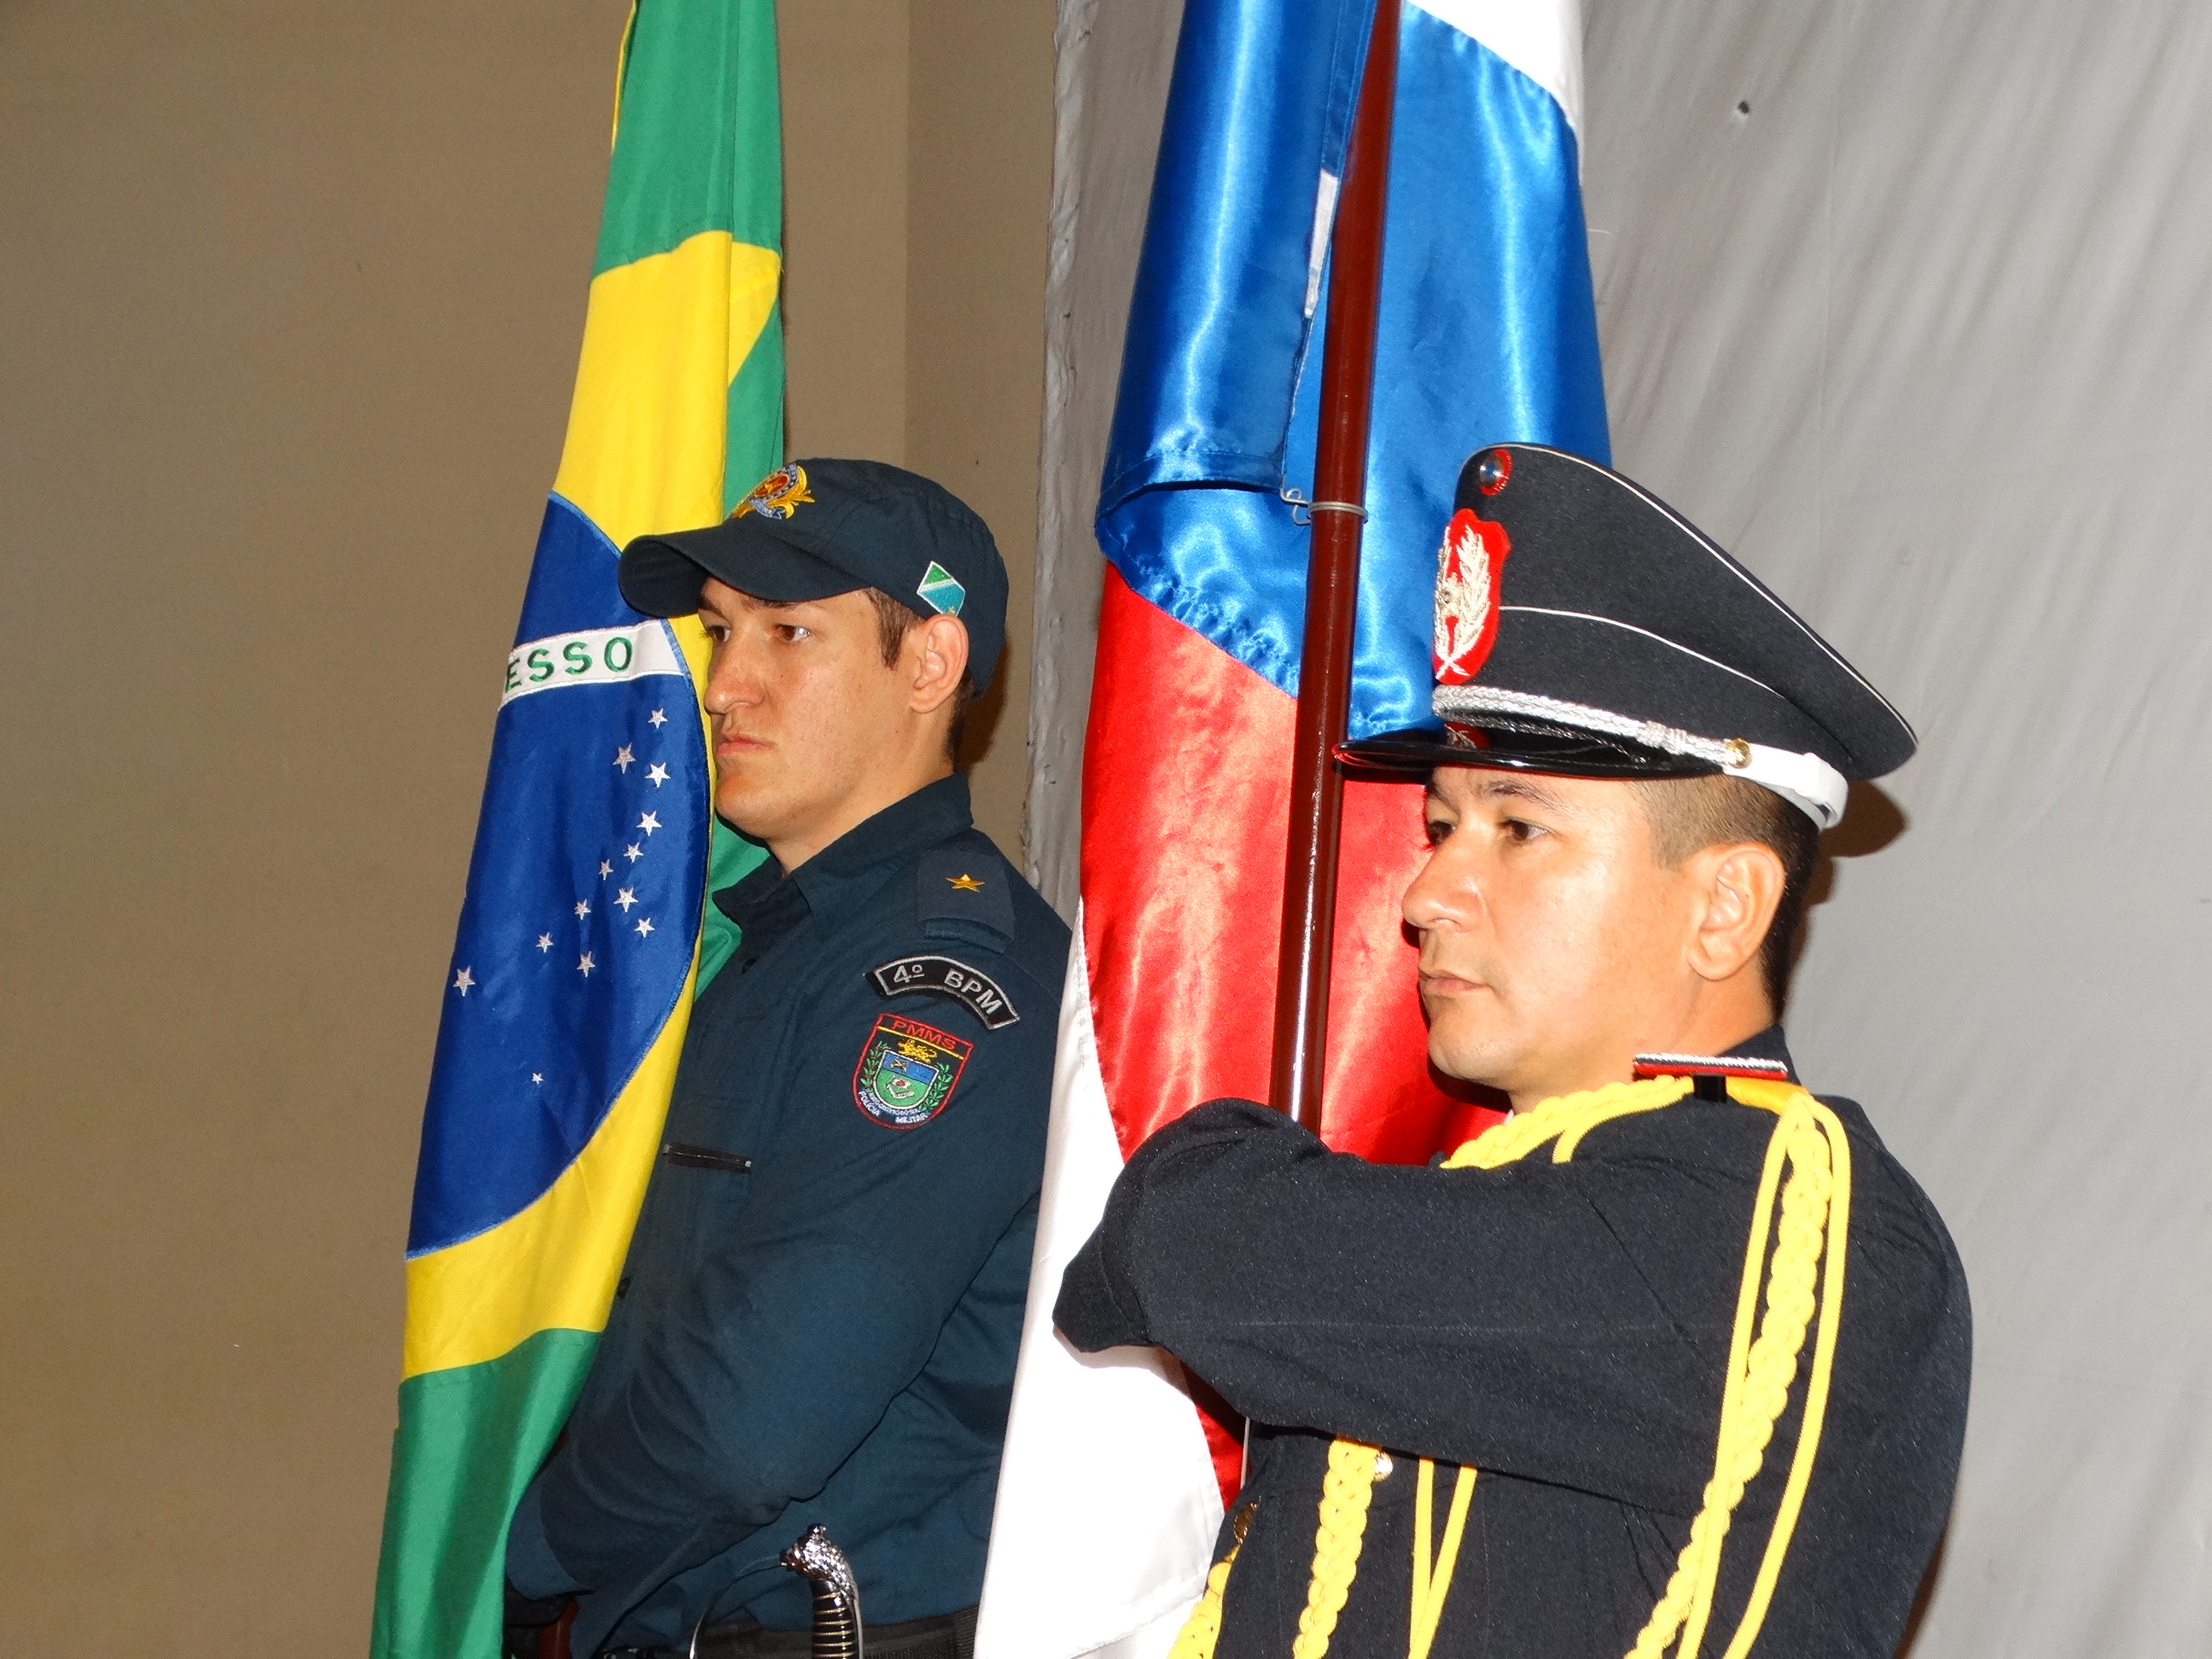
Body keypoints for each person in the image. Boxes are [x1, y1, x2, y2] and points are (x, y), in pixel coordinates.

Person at [1055, 445, 1970, 1658]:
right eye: (1441, 827)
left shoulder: (1794, 1229)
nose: (1426, 893)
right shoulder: (1520, 1197)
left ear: (1724, 908)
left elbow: (1175, 1244)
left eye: (1519, 830)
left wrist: (1203, 1179)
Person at [502, 459, 1071, 1658]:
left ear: (930, 664)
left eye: (789, 633)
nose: (725, 686)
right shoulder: (780, 948)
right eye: (722, 633)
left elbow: (754, 1417)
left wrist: (519, 1550)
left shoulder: (940, 986)